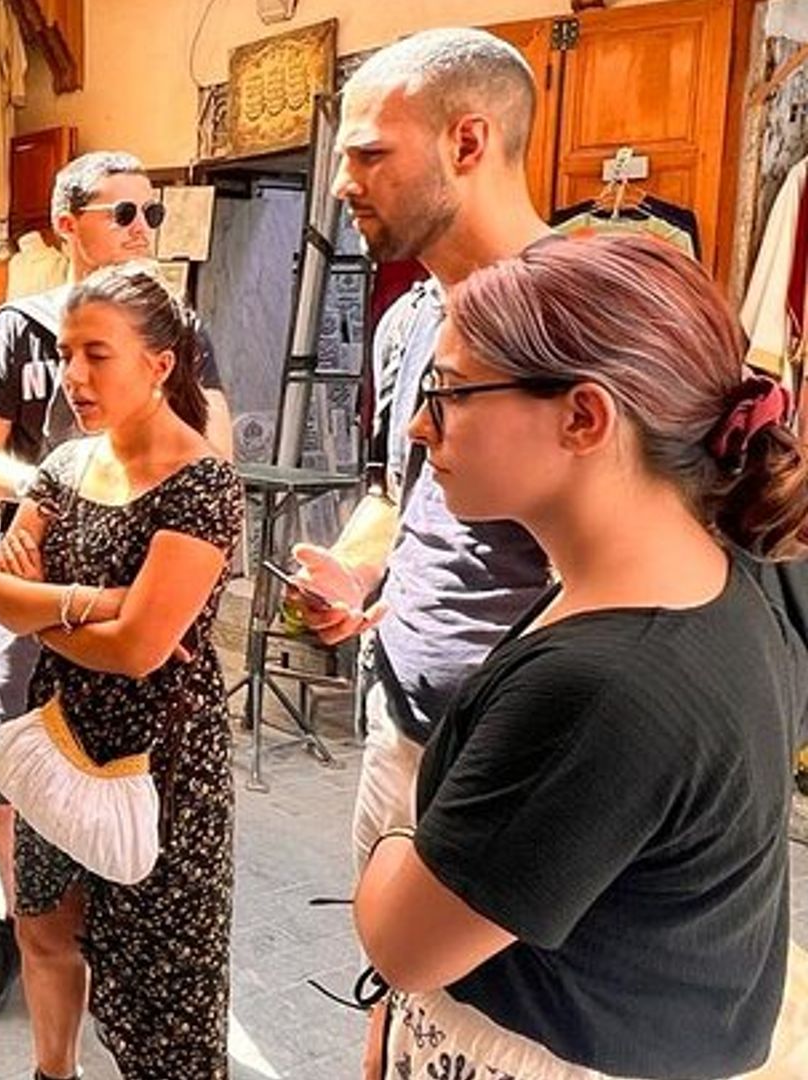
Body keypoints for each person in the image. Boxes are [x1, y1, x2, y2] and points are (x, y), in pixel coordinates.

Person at [355, 233, 808, 1078]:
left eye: (448, 393)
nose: (419, 425)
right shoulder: (722, 566)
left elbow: (404, 944)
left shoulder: (601, 686)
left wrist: (395, 836)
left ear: (584, 416)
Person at [0, 149, 234, 1021]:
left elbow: (206, 461)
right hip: (44, 581)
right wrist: (59, 496)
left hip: (131, 658)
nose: (144, 228)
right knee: (15, 752)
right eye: (124, 212)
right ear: (70, 222)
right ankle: (15, 925)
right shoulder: (19, 326)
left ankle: (98, 951)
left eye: (151, 211)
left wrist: (78, 575)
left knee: (155, 933)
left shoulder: (183, 333)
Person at [286, 28, 555, 870]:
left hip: (530, 763)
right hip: (399, 722)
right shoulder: (407, 323)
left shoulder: (586, 320)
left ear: (466, 141)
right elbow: (396, 494)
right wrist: (353, 572)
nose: (340, 184)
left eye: (368, 154)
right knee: (396, 989)